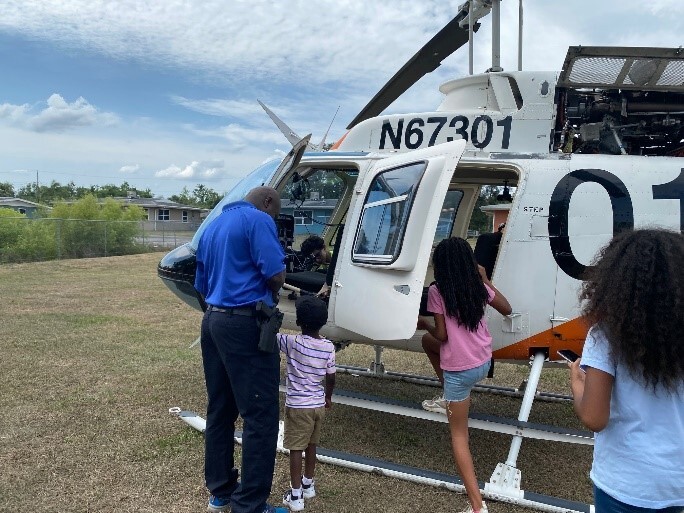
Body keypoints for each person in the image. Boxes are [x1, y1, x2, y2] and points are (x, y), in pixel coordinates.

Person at [568, 228, 684, 513]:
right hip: (677, 482)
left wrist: (576, 384)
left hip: (626, 483)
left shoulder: (605, 336)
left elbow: (595, 417)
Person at [194, 186, 289, 513]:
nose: (273, 219)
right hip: (245, 324)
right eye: (275, 213)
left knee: (220, 408)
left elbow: (201, 286)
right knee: (260, 414)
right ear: (267, 203)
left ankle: (220, 491)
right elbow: (276, 275)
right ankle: (250, 504)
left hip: (213, 321)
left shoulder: (213, 226)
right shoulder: (258, 220)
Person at [417, 237, 511, 513]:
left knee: (459, 436)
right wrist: (487, 280)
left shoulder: (437, 290)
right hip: (482, 362)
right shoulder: (478, 285)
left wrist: (423, 322)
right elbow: (507, 308)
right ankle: (448, 397)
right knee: (427, 343)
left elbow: (443, 334)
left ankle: (477, 506)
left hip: (459, 370)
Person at [277, 295, 336, 511]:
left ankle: (295, 496)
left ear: (298, 322)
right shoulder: (329, 347)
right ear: (323, 322)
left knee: (295, 448)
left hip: (298, 407)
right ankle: (308, 484)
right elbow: (331, 377)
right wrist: (328, 397)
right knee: (311, 445)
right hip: (318, 405)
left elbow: (270, 336)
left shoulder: (292, 342)